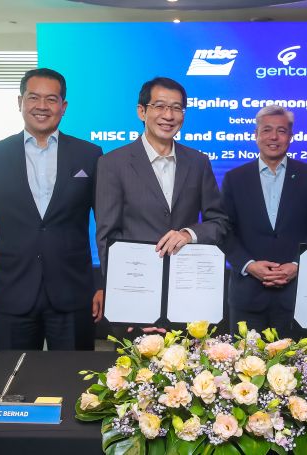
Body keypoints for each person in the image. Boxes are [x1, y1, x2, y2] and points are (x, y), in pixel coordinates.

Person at [0, 68, 103, 353]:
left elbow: (106, 224)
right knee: (15, 377)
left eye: (51, 99)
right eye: (33, 97)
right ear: (20, 102)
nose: (42, 106)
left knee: (74, 377)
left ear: (63, 106)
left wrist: (102, 284)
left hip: (74, 294)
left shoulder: (89, 155)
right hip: (11, 294)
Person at [95, 77, 228, 330]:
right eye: (159, 106)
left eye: (177, 108)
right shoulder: (113, 163)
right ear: (141, 111)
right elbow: (107, 238)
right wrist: (124, 303)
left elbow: (219, 223)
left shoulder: (198, 162)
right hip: (137, 298)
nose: (168, 115)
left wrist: (189, 234)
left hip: (188, 299)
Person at [221, 106, 307, 337]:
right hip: (247, 296)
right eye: (267, 130)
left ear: (290, 136)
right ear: (256, 134)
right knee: (243, 359)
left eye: (281, 131)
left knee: (297, 361)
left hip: (296, 295)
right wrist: (249, 265)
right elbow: (225, 230)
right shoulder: (234, 178)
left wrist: (298, 264)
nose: (274, 137)